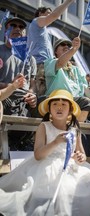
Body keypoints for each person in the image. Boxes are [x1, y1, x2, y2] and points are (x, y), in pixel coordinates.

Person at [0, 89, 90, 215]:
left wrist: (80, 157)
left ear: (70, 109)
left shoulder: (75, 130)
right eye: (55, 104)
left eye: (64, 104)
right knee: (52, 195)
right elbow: (38, 155)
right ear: (49, 109)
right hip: (46, 167)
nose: (59, 107)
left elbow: (82, 154)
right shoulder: (44, 126)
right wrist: (55, 142)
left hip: (70, 168)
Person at [0, 17, 38, 150]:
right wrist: (11, 86)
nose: (17, 28)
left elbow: (33, 84)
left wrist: (32, 95)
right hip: (5, 96)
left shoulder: (30, 58)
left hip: (25, 99)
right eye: (13, 25)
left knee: (48, 104)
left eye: (21, 27)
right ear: (6, 30)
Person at [44, 37, 90, 122]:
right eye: (62, 44)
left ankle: (78, 128)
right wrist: (73, 49)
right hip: (58, 99)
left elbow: (85, 89)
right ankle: (74, 128)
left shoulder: (76, 69)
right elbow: (60, 63)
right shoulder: (50, 61)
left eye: (68, 45)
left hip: (75, 103)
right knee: (85, 102)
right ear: (55, 51)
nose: (66, 46)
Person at [27, 0, 75, 96]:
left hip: (46, 65)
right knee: (40, 97)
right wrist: (68, 2)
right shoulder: (36, 22)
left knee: (46, 96)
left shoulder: (43, 31)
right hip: (40, 64)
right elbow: (54, 16)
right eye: (48, 13)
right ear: (40, 14)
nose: (50, 15)